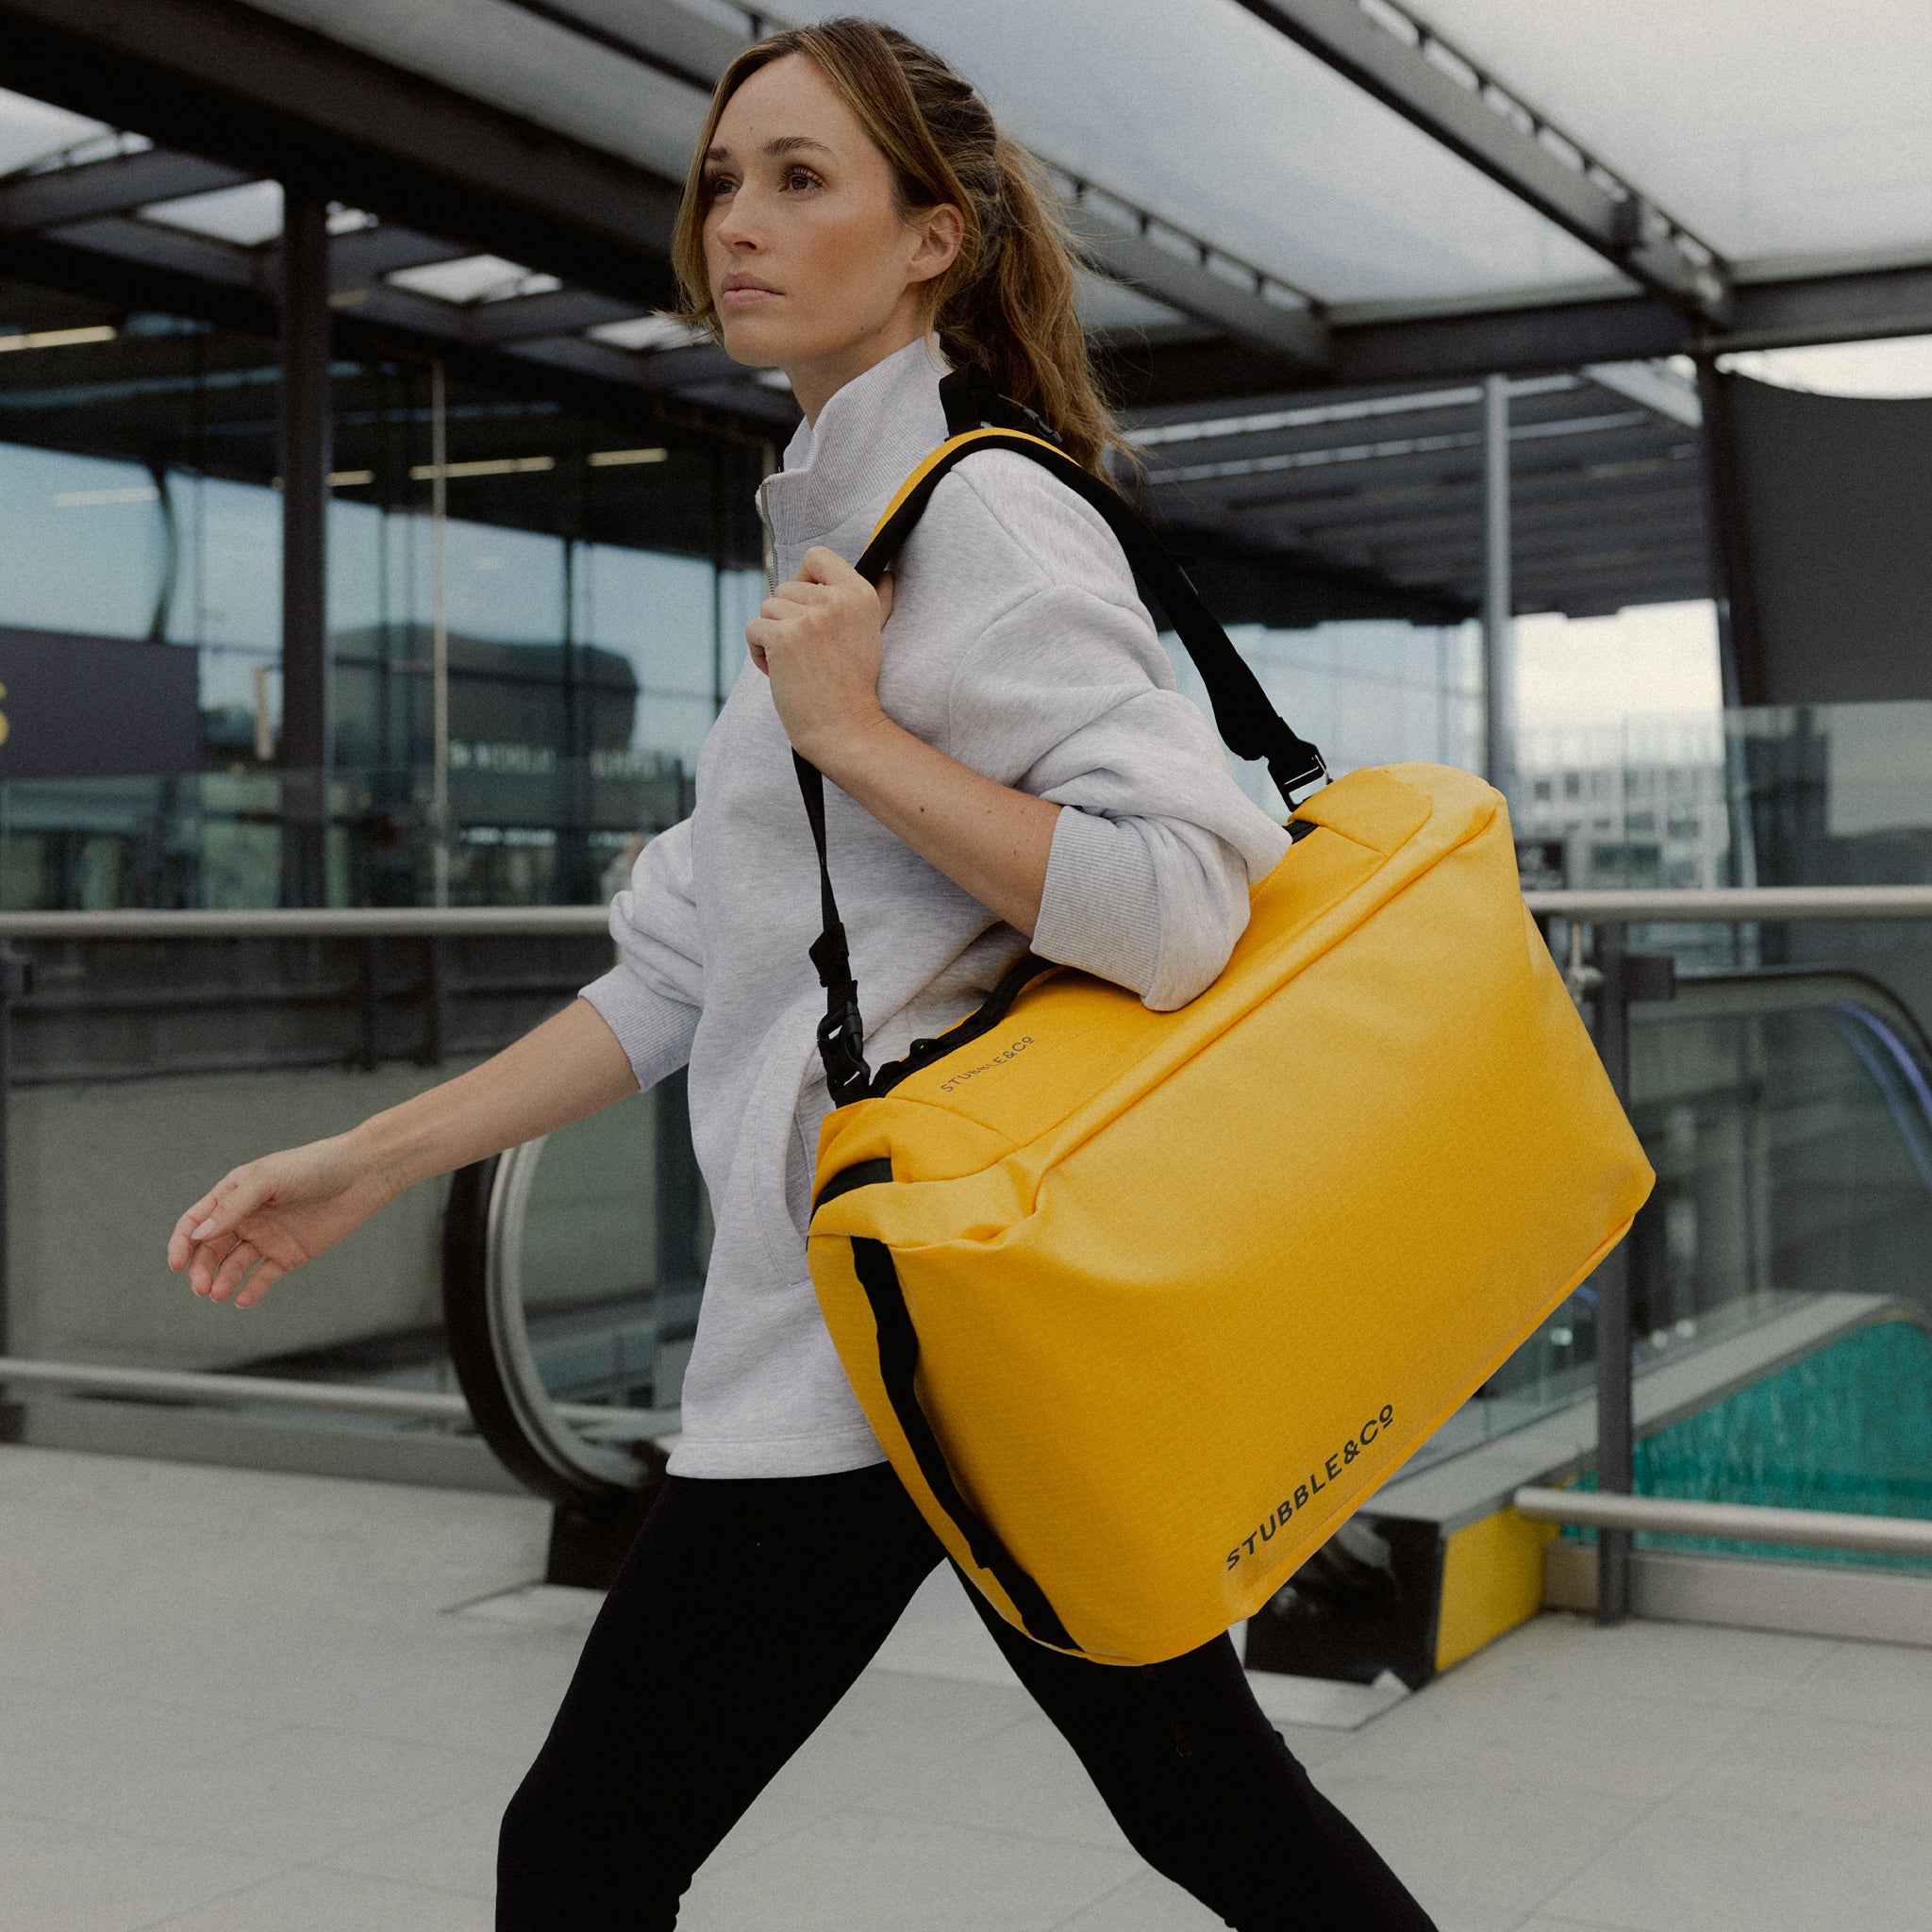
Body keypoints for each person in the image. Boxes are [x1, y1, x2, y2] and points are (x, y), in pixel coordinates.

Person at [167, 19, 1437, 1929]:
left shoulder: (982, 518)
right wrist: (368, 1155)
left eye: (797, 177)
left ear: (935, 238)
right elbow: (676, 971)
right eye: (720, 180)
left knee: (588, 1847)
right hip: (917, 1336)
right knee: (1210, 1811)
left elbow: (1186, 897)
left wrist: (856, 739)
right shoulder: (838, 520)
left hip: (906, 1339)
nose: (732, 223)